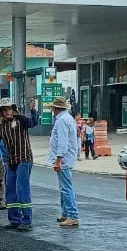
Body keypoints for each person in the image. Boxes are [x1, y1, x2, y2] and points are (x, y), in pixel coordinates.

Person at [0, 98, 38, 230]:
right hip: (11, 161)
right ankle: (14, 220)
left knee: (22, 189)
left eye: (9, 109)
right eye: (4, 110)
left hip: (24, 159)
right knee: (10, 190)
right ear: (1, 112)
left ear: (13, 109)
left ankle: (27, 220)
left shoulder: (21, 120)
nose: (7, 112)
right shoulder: (1, 128)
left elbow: (33, 122)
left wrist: (33, 111)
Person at [48, 96, 80, 228]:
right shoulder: (68, 118)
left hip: (63, 158)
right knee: (64, 187)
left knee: (66, 187)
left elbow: (62, 141)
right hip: (68, 157)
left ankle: (72, 215)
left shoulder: (61, 121)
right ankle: (66, 213)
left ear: (55, 108)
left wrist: (58, 160)